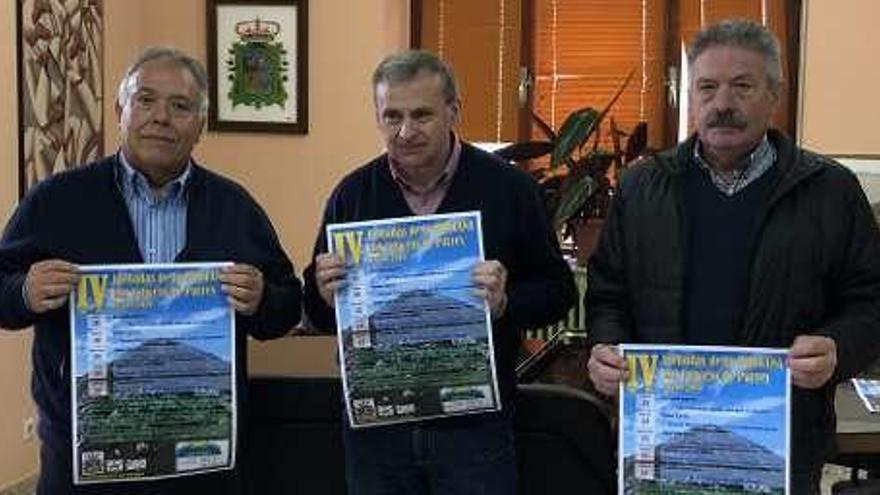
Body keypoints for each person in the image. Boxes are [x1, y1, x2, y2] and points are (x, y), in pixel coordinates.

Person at [585, 18, 880, 494]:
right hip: (664, 439)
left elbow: (870, 302)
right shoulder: (642, 187)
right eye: (707, 87)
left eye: (742, 86)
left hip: (781, 442)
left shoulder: (831, 190)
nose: (722, 104)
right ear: (690, 97)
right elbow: (608, 296)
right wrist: (606, 348)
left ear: (774, 95)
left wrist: (839, 348)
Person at [0, 47, 303, 494]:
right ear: (121, 111)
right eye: (145, 100)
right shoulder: (55, 201)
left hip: (200, 456)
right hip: (86, 458)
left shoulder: (234, 208)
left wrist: (262, 299)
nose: (161, 117)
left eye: (180, 106)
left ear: (199, 125)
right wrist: (23, 291)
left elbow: (287, 303)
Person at [304, 50, 575, 495]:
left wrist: (507, 302)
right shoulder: (352, 195)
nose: (406, 131)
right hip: (378, 432)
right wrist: (321, 290)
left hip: (474, 430)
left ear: (453, 111)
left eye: (422, 115)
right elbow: (315, 309)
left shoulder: (510, 188)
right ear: (377, 117)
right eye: (392, 116)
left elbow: (558, 291)